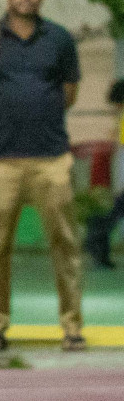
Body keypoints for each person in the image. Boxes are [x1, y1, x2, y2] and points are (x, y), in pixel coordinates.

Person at [0, 0, 84, 352]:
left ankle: (72, 327)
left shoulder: (60, 39)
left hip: (52, 159)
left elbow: (69, 93)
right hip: (0, 160)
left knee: (65, 246)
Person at [84, 78, 124, 268]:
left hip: (118, 181)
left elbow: (119, 150)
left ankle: (95, 246)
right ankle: (97, 249)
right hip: (116, 180)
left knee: (107, 216)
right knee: (108, 216)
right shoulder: (121, 119)